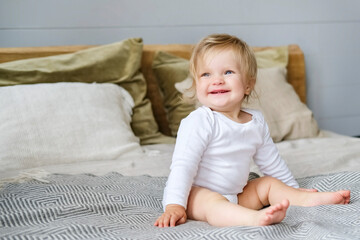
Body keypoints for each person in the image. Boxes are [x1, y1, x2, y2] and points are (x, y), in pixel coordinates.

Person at [154, 34, 350, 228]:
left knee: (268, 183)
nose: (217, 80)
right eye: (206, 74)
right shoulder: (199, 121)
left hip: (237, 195)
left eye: (228, 72)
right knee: (212, 202)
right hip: (196, 196)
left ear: (248, 84)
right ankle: (253, 219)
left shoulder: (255, 121)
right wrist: (174, 205)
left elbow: (272, 162)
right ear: (197, 85)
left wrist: (292, 189)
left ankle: (304, 200)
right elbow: (183, 166)